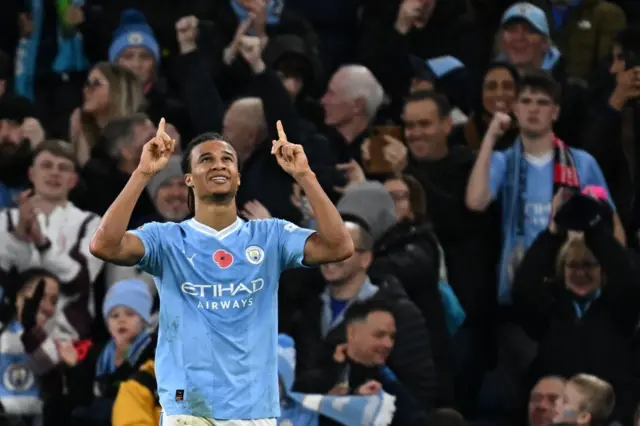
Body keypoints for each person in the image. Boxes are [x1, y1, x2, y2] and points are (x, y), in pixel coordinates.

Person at [89, 118, 354, 426]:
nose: (218, 165)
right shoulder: (166, 239)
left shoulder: (270, 236)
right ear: (189, 179)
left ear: (238, 178)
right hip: (187, 409)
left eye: (227, 159)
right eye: (206, 159)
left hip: (254, 410)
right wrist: (143, 173)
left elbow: (339, 247)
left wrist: (305, 175)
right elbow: (104, 245)